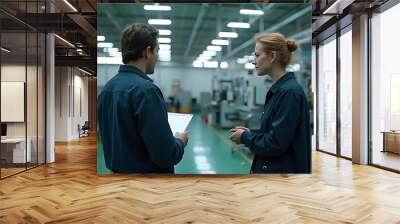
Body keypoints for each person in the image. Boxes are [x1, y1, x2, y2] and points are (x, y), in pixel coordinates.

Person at [97, 23, 188, 173]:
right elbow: (165, 156)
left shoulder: (107, 89)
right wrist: (180, 141)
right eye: (157, 50)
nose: (157, 56)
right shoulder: (146, 91)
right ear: (148, 52)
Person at [230, 32, 311, 174]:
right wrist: (251, 133)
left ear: (272, 56)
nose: (253, 61)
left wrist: (245, 137)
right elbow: (275, 132)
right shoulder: (280, 90)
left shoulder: (289, 93)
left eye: (257, 55)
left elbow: (276, 144)